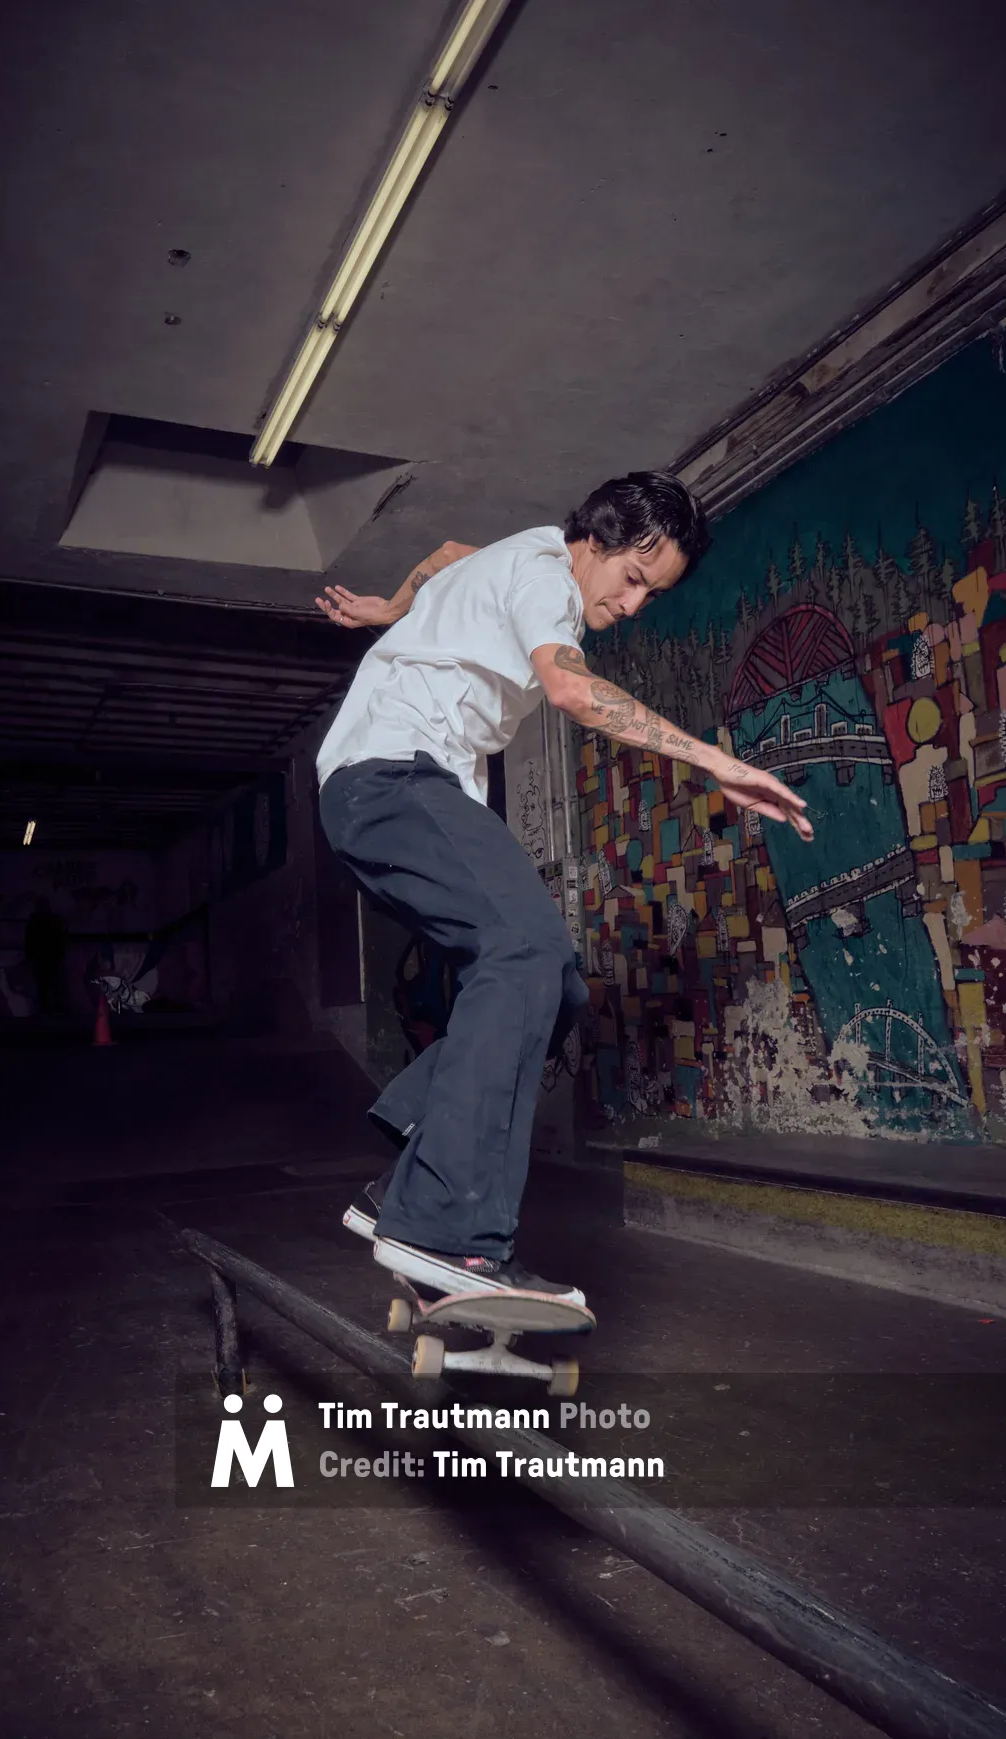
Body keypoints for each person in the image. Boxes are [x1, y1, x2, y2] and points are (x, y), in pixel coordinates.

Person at [314, 470, 811, 1304]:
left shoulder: (518, 559)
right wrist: (719, 761)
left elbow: (443, 557)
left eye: (654, 595)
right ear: (600, 539)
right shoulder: (546, 575)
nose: (635, 605)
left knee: (561, 991)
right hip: (392, 780)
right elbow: (572, 690)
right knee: (525, 951)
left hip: (393, 790)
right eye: (634, 580)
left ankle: (408, 1165)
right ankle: (445, 1232)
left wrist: (394, 612)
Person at [24, 897, 69, 1017]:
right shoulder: (44, 919)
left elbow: (61, 938)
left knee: (49, 985)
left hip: (48, 957)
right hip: (46, 958)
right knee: (47, 985)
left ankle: (53, 1009)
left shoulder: (43, 919)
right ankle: (52, 1010)